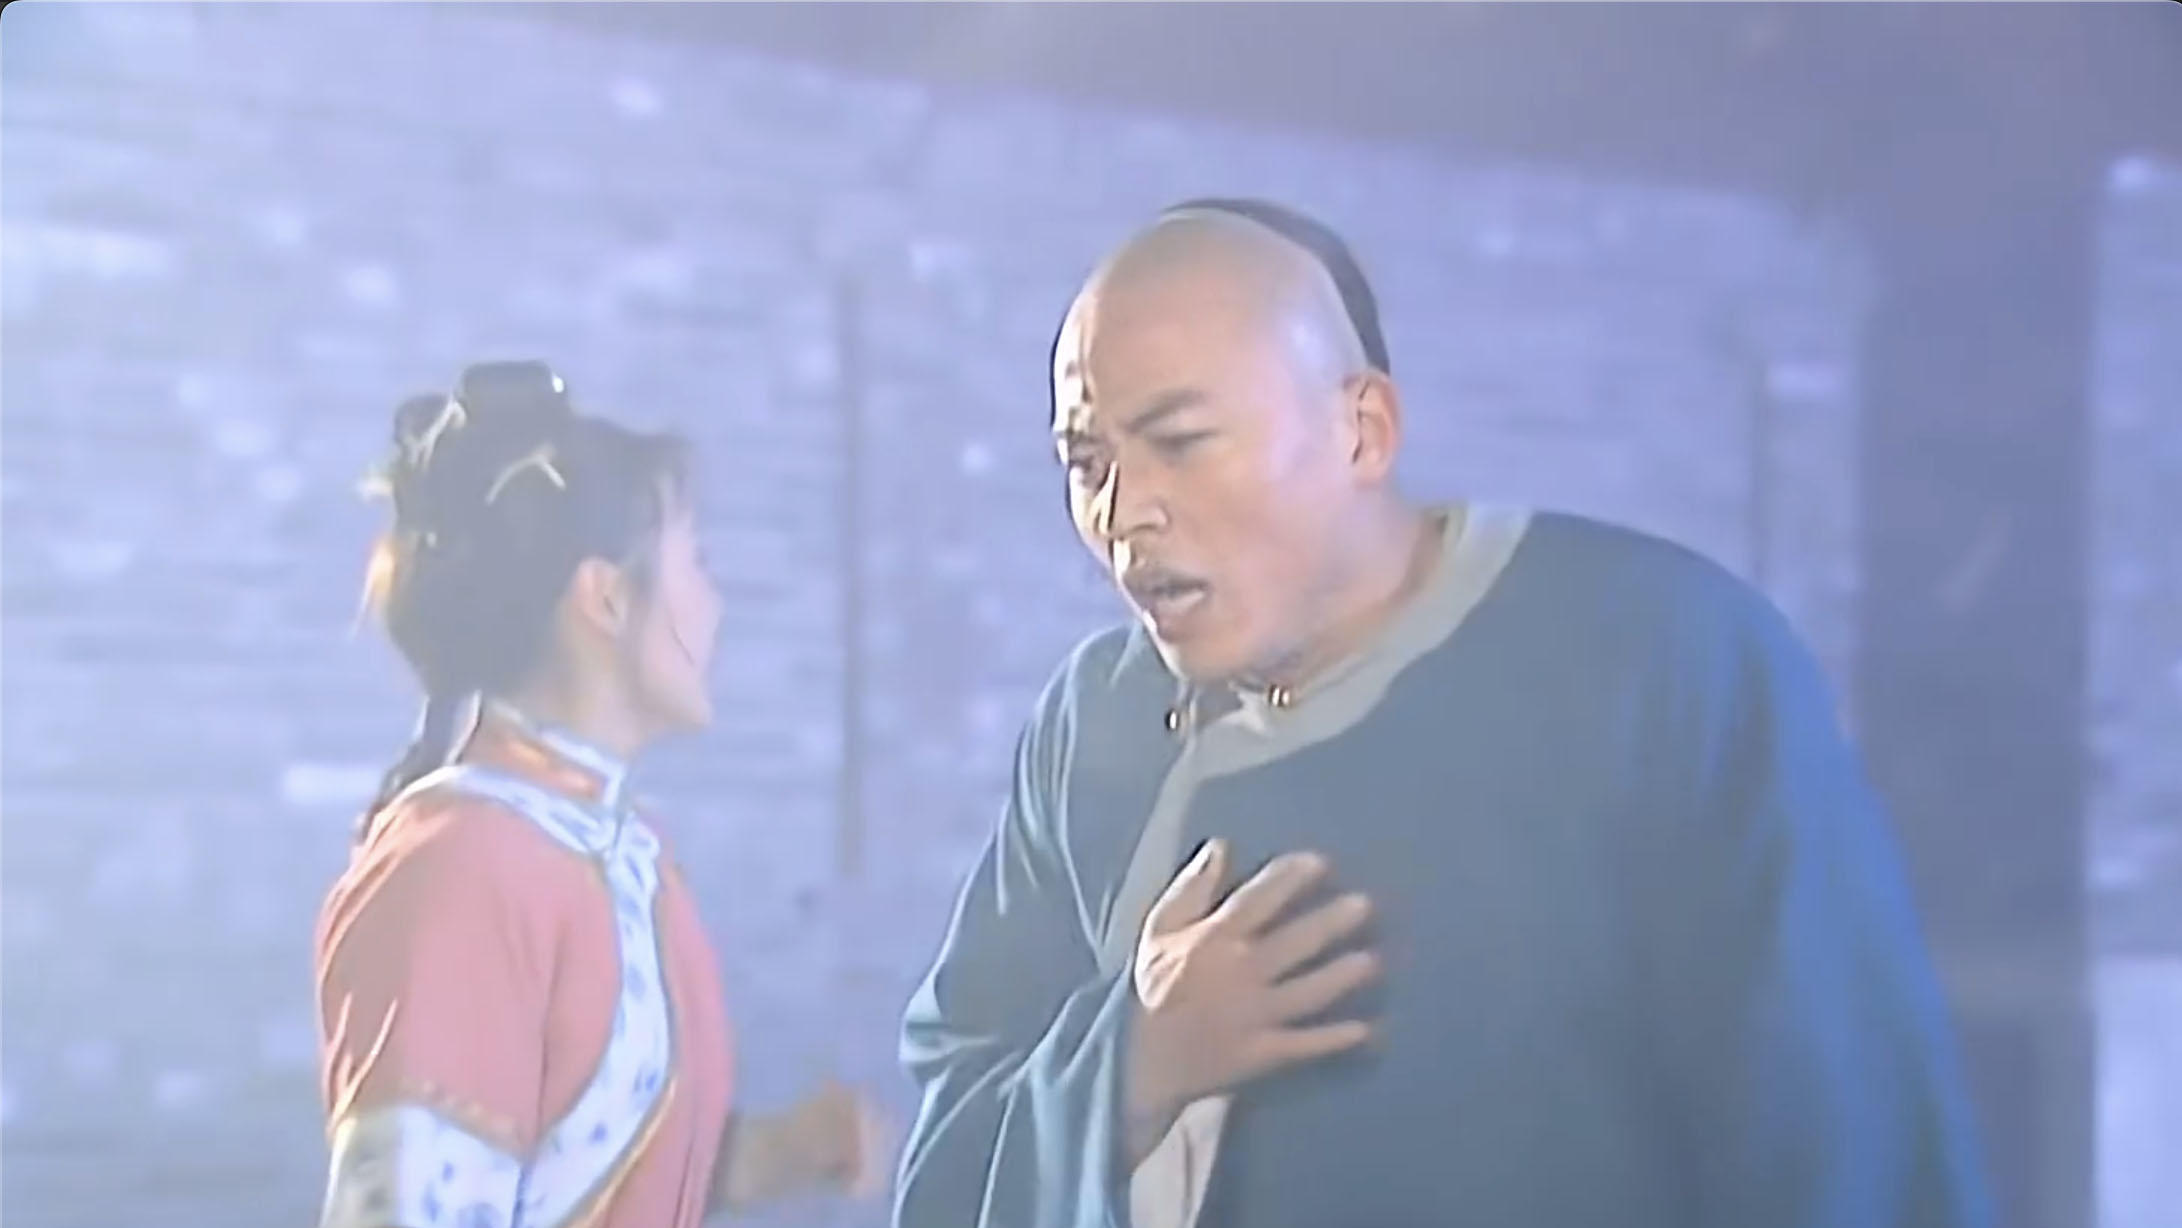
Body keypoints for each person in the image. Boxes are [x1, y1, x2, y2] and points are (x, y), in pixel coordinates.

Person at [892, 200, 1994, 1228]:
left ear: (1362, 430)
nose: (1125, 512)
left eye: (1180, 441)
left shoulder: (1656, 660)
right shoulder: (1095, 722)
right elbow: (949, 1145)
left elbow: (1851, 1148)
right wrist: (1134, 1065)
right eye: (1087, 461)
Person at [313, 361, 885, 1228]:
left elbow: (571, 1160)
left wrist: (776, 1153)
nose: (715, 606)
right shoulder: (461, 869)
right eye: (696, 561)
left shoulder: (619, 851)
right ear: (608, 596)